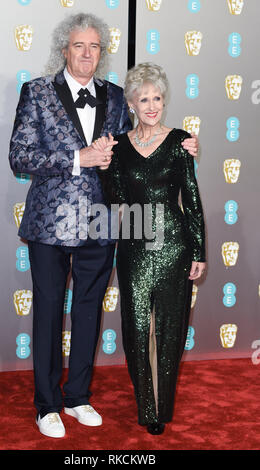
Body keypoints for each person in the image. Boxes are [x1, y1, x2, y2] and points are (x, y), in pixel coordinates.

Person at [9, 13, 199, 439]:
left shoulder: (115, 96)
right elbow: (19, 156)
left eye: (95, 46)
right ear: (65, 49)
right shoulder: (37, 92)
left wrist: (184, 145)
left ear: (102, 52)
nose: (87, 54)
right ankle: (47, 405)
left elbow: (141, 145)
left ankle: (77, 396)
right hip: (49, 225)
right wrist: (79, 158)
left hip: (100, 222)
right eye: (79, 45)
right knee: (48, 313)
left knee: (89, 312)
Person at [95, 62, 206, 435]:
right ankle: (146, 406)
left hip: (175, 245)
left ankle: (163, 406)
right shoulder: (120, 147)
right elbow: (116, 201)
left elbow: (191, 199)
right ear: (131, 104)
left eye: (157, 97)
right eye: (144, 99)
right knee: (137, 327)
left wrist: (200, 252)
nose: (153, 105)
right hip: (134, 246)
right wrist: (105, 166)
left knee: (171, 330)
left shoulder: (180, 141)